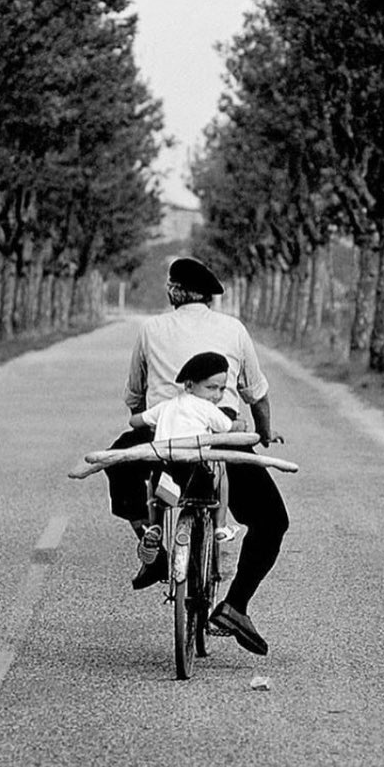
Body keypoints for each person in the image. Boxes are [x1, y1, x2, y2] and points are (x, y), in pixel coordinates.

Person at [106, 256, 289, 656]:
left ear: (173, 291)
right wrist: (264, 432)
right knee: (272, 521)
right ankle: (236, 607)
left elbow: (134, 397)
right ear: (210, 296)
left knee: (118, 463)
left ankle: (150, 541)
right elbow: (256, 393)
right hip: (219, 441)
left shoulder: (151, 329)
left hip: (164, 440)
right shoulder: (234, 329)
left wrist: (151, 418)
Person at [128, 350, 246, 555]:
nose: (216, 395)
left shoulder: (166, 406)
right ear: (189, 385)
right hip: (197, 475)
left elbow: (134, 421)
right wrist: (241, 425)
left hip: (165, 476)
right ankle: (221, 525)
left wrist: (154, 424)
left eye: (221, 390)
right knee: (222, 469)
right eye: (211, 388)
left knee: (153, 486)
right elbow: (226, 427)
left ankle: (155, 525)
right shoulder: (208, 408)